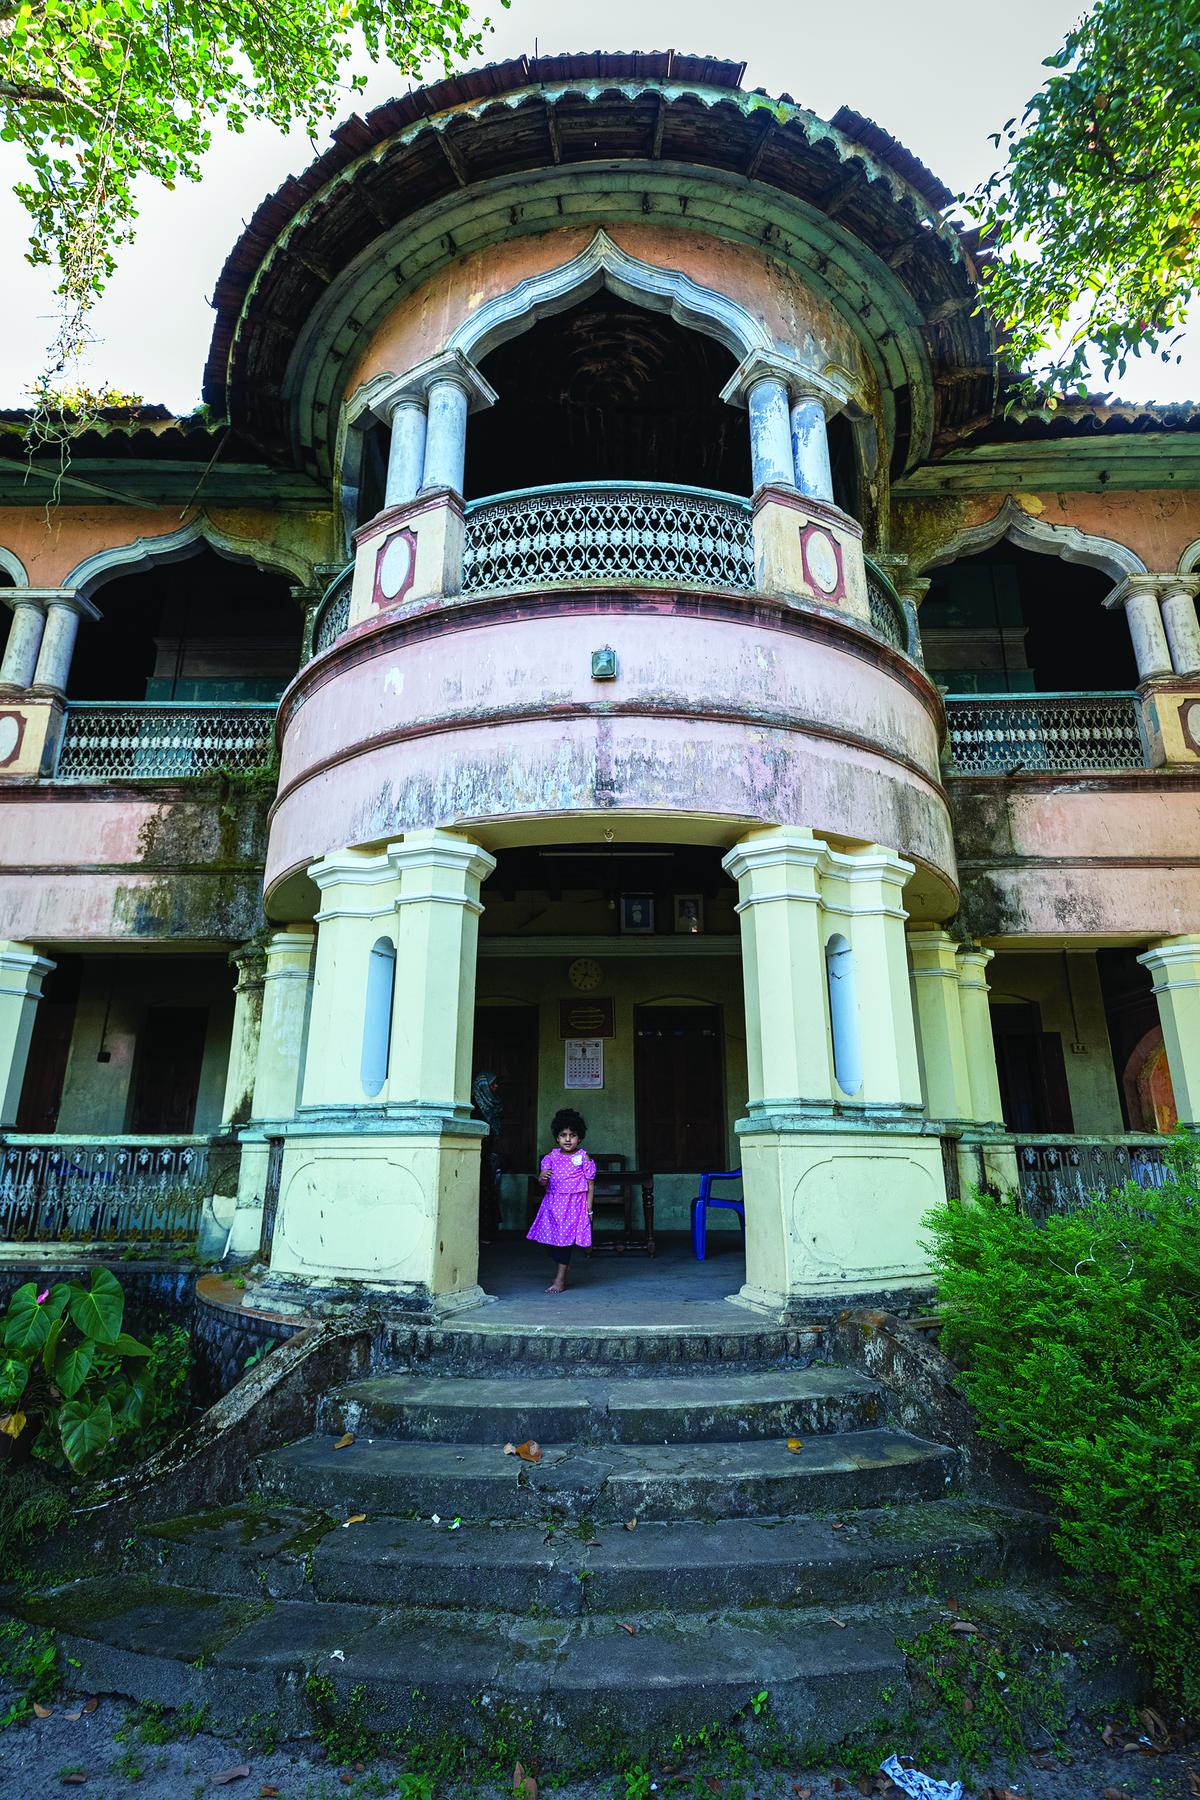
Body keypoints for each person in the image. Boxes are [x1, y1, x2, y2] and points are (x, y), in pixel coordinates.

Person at [527, 1107, 595, 1294]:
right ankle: (562, 1264)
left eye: (572, 1135)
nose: (567, 1139)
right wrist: (542, 1176)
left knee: (564, 1243)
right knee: (549, 1243)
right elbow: (542, 1183)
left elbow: (590, 1185)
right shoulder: (551, 1157)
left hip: (574, 1206)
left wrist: (589, 1210)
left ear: (579, 1138)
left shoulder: (583, 1157)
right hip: (552, 1206)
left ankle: (560, 1279)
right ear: (557, 1137)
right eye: (563, 1135)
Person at [471, 1069, 504, 1242]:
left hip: (489, 1155)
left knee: (489, 1191)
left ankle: (488, 1232)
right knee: (481, 1192)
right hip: (477, 1156)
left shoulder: (495, 1105)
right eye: (493, 1084)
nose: (496, 1087)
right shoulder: (474, 1107)